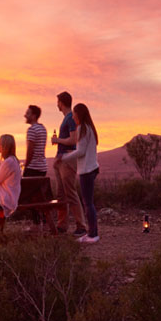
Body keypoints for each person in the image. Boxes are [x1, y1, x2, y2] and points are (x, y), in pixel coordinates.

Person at [59, 103, 100, 243]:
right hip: (92, 168)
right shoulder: (89, 128)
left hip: (87, 170)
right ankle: (92, 232)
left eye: (74, 114)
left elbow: (81, 151)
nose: (73, 117)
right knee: (88, 202)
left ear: (79, 114)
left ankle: (93, 235)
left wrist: (64, 157)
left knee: (88, 203)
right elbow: (84, 150)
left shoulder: (82, 128)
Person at [51, 91, 87, 237]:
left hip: (68, 158)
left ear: (62, 103)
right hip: (61, 158)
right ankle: (62, 225)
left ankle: (81, 226)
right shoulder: (66, 119)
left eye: (58, 102)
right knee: (61, 194)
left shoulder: (71, 118)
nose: (57, 104)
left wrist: (57, 140)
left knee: (70, 192)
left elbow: (73, 140)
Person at [23, 105, 47, 178]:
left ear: (34, 116)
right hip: (43, 168)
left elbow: (30, 151)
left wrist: (25, 166)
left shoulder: (32, 130)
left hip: (32, 168)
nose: (25, 115)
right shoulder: (43, 128)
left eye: (28, 113)